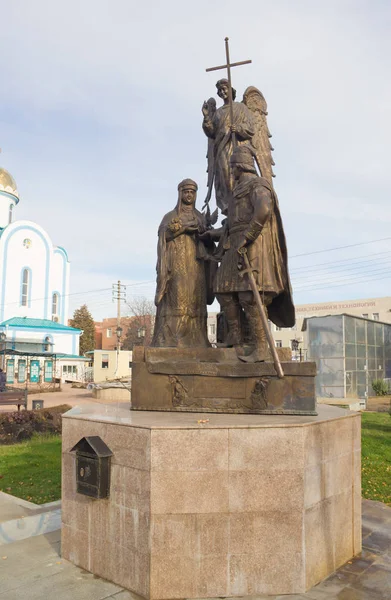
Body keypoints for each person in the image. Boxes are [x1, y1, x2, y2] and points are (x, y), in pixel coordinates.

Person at [210, 145, 295, 362]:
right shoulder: (237, 190)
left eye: (233, 167)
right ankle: (236, 340)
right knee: (223, 289)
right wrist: (210, 234)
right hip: (234, 243)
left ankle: (260, 348)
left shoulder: (258, 185)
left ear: (241, 165)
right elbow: (230, 224)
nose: (232, 171)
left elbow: (263, 211)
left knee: (250, 295)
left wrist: (248, 238)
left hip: (254, 244)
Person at [151, 179, 214, 348]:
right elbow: (162, 236)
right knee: (177, 295)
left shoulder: (199, 216)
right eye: (186, 192)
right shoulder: (171, 216)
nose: (189, 195)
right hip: (176, 262)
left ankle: (197, 339)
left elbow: (208, 239)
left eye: (192, 192)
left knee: (195, 296)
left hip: (196, 263)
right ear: (180, 194)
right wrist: (182, 228)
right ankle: (173, 339)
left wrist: (203, 232)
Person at [202, 79, 255, 214]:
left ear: (231, 90)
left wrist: (238, 128)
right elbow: (211, 132)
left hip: (236, 146)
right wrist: (207, 117)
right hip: (222, 149)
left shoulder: (240, 108)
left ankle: (241, 205)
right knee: (224, 178)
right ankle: (228, 208)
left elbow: (250, 128)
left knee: (236, 175)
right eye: (220, 91)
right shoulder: (218, 112)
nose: (222, 92)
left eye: (224, 89)